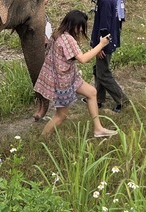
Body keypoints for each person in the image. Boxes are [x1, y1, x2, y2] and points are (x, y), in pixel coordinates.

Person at [34, 10, 117, 138]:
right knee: (61, 116)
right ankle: (42, 139)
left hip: (68, 77)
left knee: (92, 92)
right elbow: (83, 59)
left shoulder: (58, 34)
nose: (80, 31)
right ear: (75, 25)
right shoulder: (68, 39)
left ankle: (98, 129)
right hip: (63, 82)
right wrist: (101, 44)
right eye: (80, 27)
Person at [84, 0, 128, 113]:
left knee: (103, 72)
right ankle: (98, 98)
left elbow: (104, 25)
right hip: (107, 39)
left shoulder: (105, 0)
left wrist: (100, 46)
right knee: (99, 69)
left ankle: (122, 99)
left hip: (105, 41)